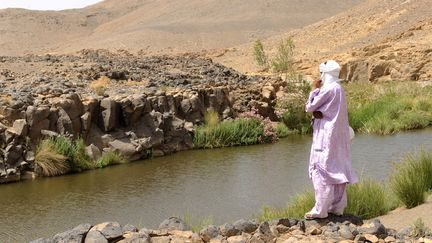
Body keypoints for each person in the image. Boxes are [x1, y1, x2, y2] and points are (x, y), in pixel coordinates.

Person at [304, 60, 358, 219]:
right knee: (337, 169)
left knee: (321, 170)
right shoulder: (339, 89)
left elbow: (309, 107)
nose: (320, 76)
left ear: (325, 74)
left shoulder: (327, 89)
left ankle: (320, 209)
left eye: (322, 73)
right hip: (338, 138)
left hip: (326, 137)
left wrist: (314, 89)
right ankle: (337, 207)